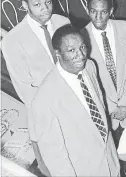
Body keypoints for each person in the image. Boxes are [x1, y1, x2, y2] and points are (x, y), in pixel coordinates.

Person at [28, 24, 120, 176]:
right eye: (71, 50)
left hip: (110, 162)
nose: (81, 55)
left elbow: (99, 109)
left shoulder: (89, 66)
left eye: (83, 47)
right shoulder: (44, 99)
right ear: (57, 53)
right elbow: (55, 157)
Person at [1, 0, 70, 176]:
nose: (45, 9)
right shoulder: (12, 40)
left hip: (74, 108)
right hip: (45, 117)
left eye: (48, 2)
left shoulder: (63, 22)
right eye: (37, 5)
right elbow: (25, 90)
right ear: (25, 6)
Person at [82, 0, 126, 145]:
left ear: (111, 11)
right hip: (104, 114)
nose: (98, 17)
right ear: (88, 11)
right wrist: (112, 108)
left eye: (103, 12)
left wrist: (125, 105)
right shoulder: (81, 38)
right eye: (94, 12)